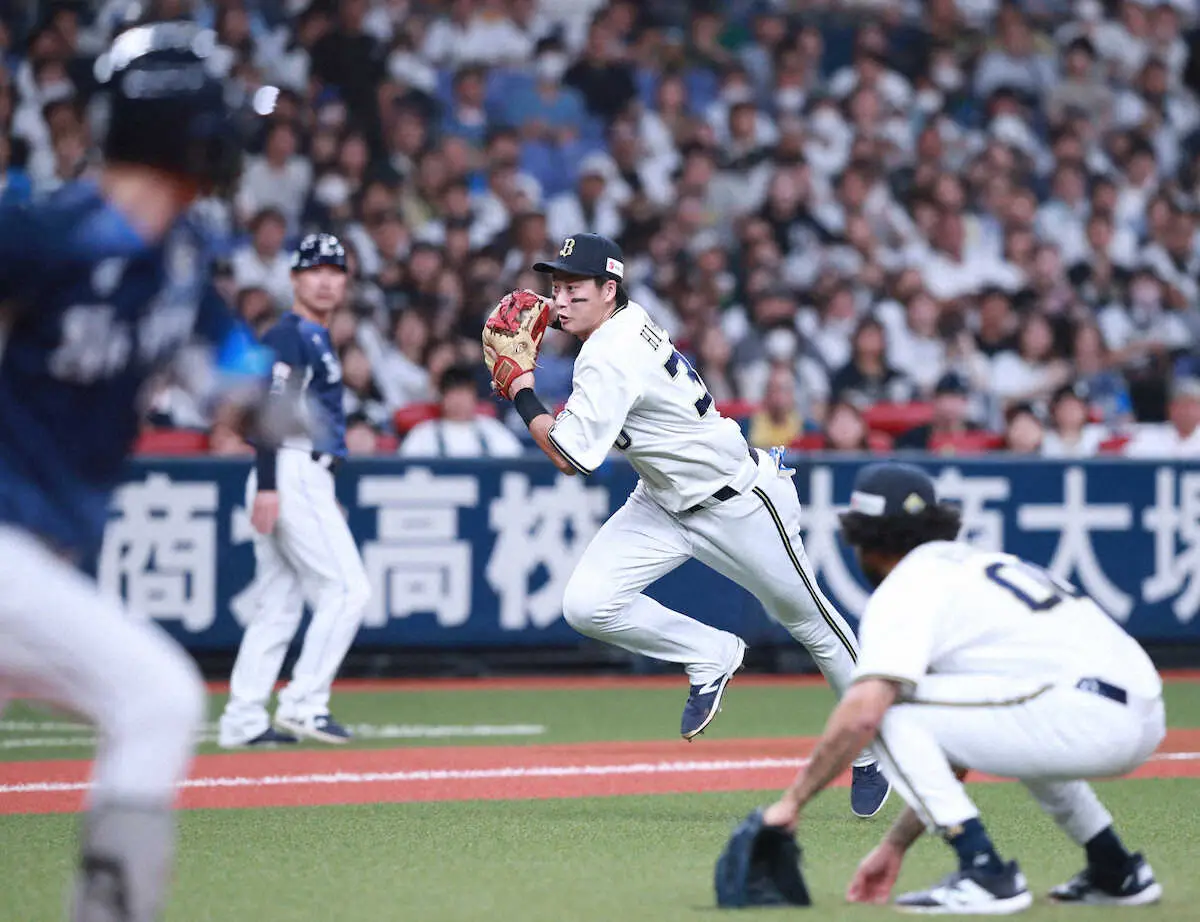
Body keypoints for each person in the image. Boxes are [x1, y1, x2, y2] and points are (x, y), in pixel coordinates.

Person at [0, 21, 274, 922]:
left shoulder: (183, 258)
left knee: (150, 701)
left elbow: (236, 386)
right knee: (157, 696)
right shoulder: (42, 235)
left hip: (34, 560)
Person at [494, 233, 890, 817]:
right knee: (588, 604)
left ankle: (872, 748)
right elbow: (594, 335)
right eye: (556, 286)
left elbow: (570, 458)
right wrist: (559, 317)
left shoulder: (608, 352)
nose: (561, 297)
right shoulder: (626, 319)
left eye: (574, 287)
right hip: (660, 500)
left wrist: (522, 390)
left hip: (738, 503)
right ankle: (710, 654)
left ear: (609, 290)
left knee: (813, 624)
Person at [758, 462, 1164, 913]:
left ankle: (985, 872)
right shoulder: (979, 562)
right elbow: (956, 747)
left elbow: (866, 713)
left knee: (890, 711)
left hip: (1086, 710)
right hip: (1139, 708)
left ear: (865, 541)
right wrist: (895, 845)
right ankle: (1116, 869)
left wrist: (791, 803)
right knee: (1016, 724)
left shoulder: (908, 585)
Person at [218, 234, 371, 748]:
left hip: (301, 473)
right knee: (348, 590)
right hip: (286, 469)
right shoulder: (290, 334)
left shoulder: (314, 337)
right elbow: (262, 412)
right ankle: (304, 703)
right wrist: (268, 484)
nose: (326, 279)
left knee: (278, 604)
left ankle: (243, 719)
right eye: (314, 270)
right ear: (294, 278)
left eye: (335, 270)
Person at [400, 361, 524, 457]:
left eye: (464, 393)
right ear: (442, 398)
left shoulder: (493, 430)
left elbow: (515, 466)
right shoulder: (423, 434)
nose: (459, 400)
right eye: (453, 393)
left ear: (474, 397)